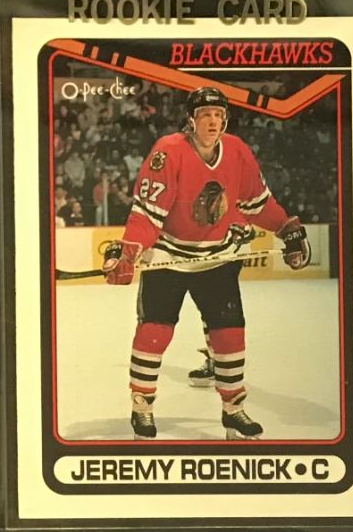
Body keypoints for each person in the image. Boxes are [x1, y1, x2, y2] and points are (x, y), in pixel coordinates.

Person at [107, 86, 312, 441]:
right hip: (169, 255)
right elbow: (147, 214)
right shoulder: (168, 151)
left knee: (230, 334)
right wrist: (128, 251)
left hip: (217, 256)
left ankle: (233, 409)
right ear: (191, 120)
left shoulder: (237, 151)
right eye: (205, 116)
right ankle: (142, 407)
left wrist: (285, 228)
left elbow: (256, 203)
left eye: (218, 115)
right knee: (154, 332)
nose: (213, 122)